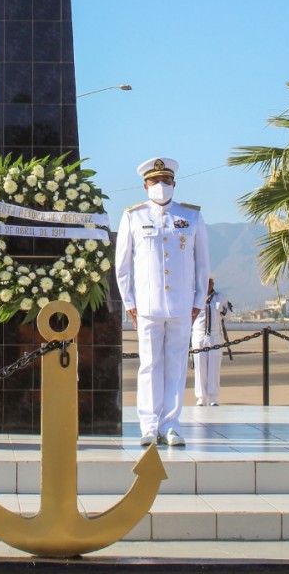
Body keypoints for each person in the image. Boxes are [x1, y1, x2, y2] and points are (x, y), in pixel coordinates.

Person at [115, 157, 210, 447]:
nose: (161, 186)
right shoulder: (134, 216)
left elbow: (202, 263)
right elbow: (122, 266)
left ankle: (171, 424)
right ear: (145, 185)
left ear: (174, 184)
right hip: (147, 305)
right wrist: (129, 303)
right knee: (149, 365)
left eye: (166, 181)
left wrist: (197, 300)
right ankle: (148, 425)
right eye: (155, 181)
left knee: (176, 365)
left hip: (181, 305)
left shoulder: (191, 216)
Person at [191, 277, 229, 407]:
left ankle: (213, 396)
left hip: (214, 335)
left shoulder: (219, 296)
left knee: (214, 366)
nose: (209, 285)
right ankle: (201, 397)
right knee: (200, 366)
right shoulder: (194, 296)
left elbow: (226, 311)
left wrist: (221, 309)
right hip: (199, 334)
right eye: (206, 282)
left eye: (211, 282)